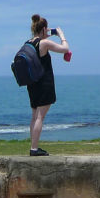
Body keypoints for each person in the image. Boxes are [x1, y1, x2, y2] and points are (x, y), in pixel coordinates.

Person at [25, 15, 71, 156]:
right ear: (44, 29)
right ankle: (34, 149)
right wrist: (61, 35)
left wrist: (46, 34)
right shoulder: (44, 44)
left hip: (32, 84)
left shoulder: (29, 42)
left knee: (34, 116)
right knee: (40, 117)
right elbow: (65, 48)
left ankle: (33, 146)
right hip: (44, 83)